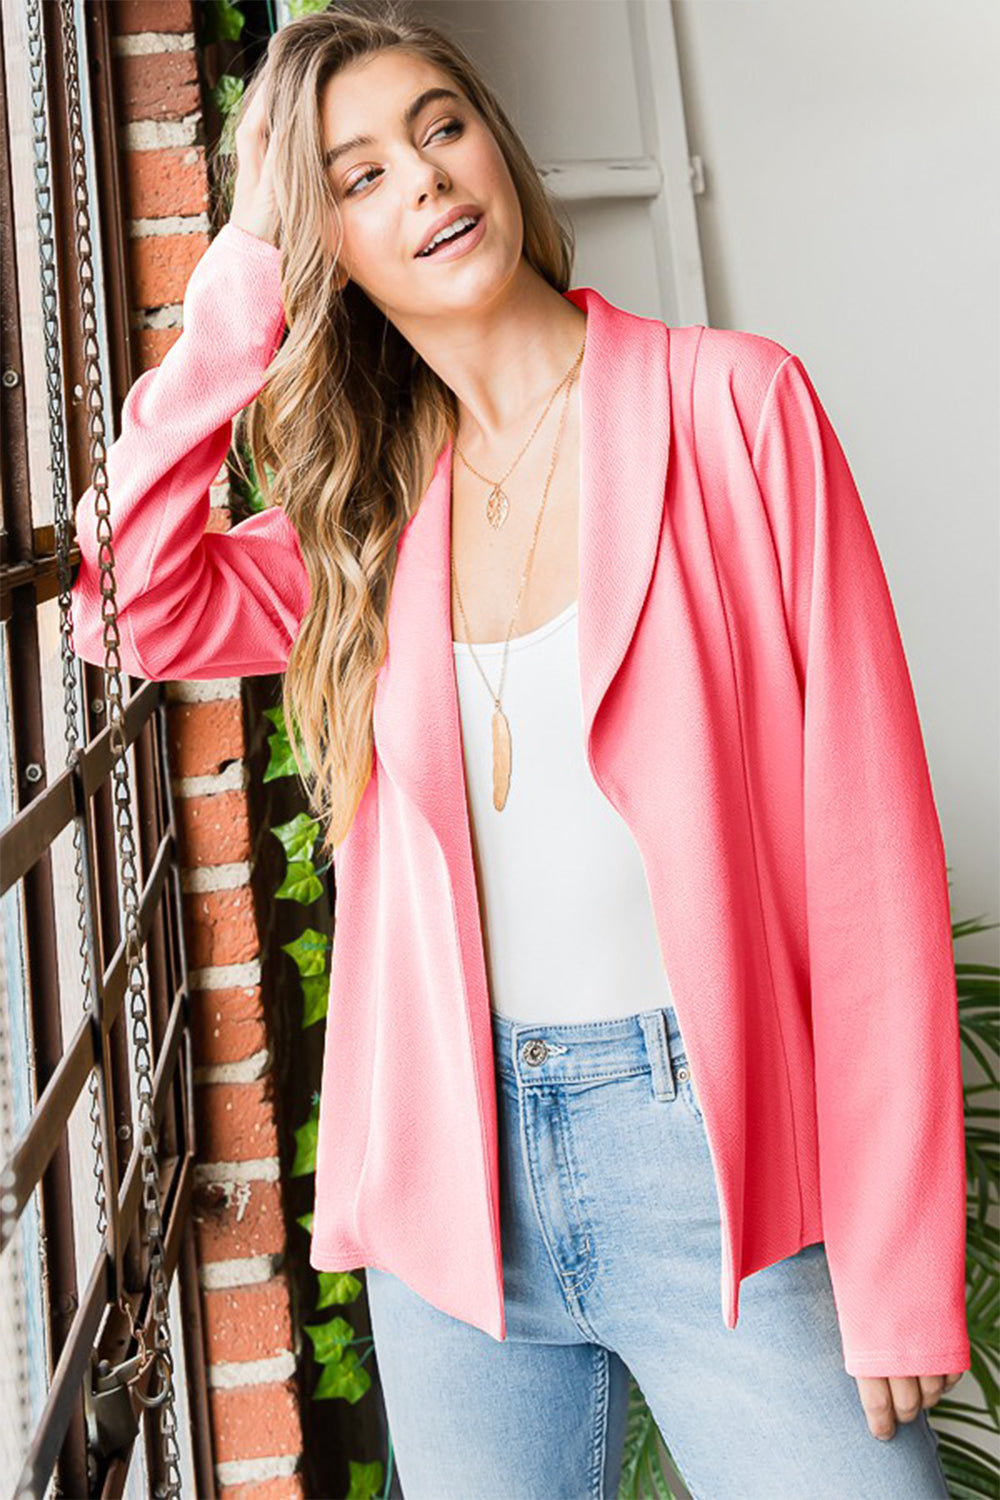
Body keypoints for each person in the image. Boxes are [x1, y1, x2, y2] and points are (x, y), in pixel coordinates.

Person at [70, 2, 969, 1495]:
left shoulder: (736, 410)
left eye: (441, 129)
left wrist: (900, 1252)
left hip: (723, 1174)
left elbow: (869, 857)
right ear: (322, 246)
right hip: (451, 1192)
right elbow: (124, 599)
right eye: (355, 178)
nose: (423, 182)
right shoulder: (361, 521)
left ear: (497, 148)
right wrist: (237, 282)